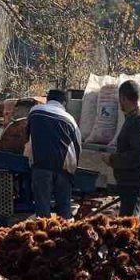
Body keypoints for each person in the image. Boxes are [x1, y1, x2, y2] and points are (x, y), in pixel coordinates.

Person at [26, 89, 82, 219]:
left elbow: (28, 135)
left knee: (42, 208)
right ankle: (66, 229)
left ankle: (44, 229)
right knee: (64, 207)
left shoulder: (35, 112)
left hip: (41, 166)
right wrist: (72, 171)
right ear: (64, 103)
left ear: (47, 99)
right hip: (63, 169)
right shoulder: (70, 120)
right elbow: (77, 146)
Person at [108, 80, 140, 217]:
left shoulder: (139, 120)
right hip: (133, 183)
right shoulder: (137, 117)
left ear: (123, 98)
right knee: (135, 223)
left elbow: (139, 155)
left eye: (120, 99)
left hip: (135, 184)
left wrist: (112, 159)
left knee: (129, 224)